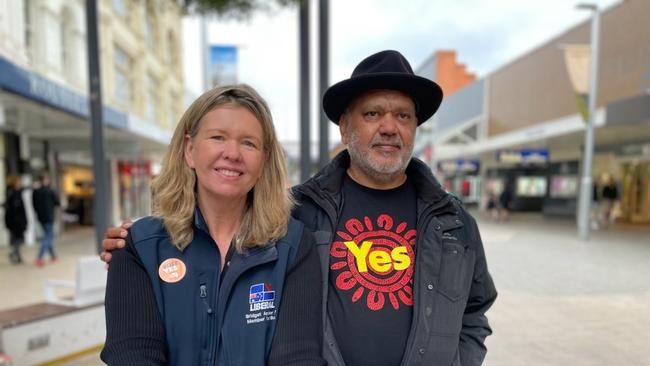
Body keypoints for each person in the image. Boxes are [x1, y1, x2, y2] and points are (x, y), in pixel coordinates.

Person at [102, 50, 497, 366]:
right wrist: (137, 243)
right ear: (345, 128)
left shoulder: (453, 223)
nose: (390, 127)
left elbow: (476, 309)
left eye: (403, 116)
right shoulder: (297, 213)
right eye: (373, 114)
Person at [100, 84, 324, 366]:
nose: (232, 153)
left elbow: (297, 358)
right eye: (218, 137)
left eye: (249, 143)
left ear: (264, 160)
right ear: (190, 150)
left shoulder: (293, 246)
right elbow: (132, 355)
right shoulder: (138, 247)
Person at [32, 173, 60, 267]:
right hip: (49, 217)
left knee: (47, 236)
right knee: (48, 237)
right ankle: (39, 257)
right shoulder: (50, 191)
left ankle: (53, 256)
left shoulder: (36, 191)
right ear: (45, 180)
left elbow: (34, 205)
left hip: (41, 217)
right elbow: (57, 202)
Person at [4, 175, 27, 264]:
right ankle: (13, 253)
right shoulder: (15, 194)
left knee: (16, 239)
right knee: (19, 239)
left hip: (12, 221)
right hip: (17, 221)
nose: (20, 184)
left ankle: (18, 256)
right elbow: (16, 208)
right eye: (19, 182)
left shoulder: (10, 192)